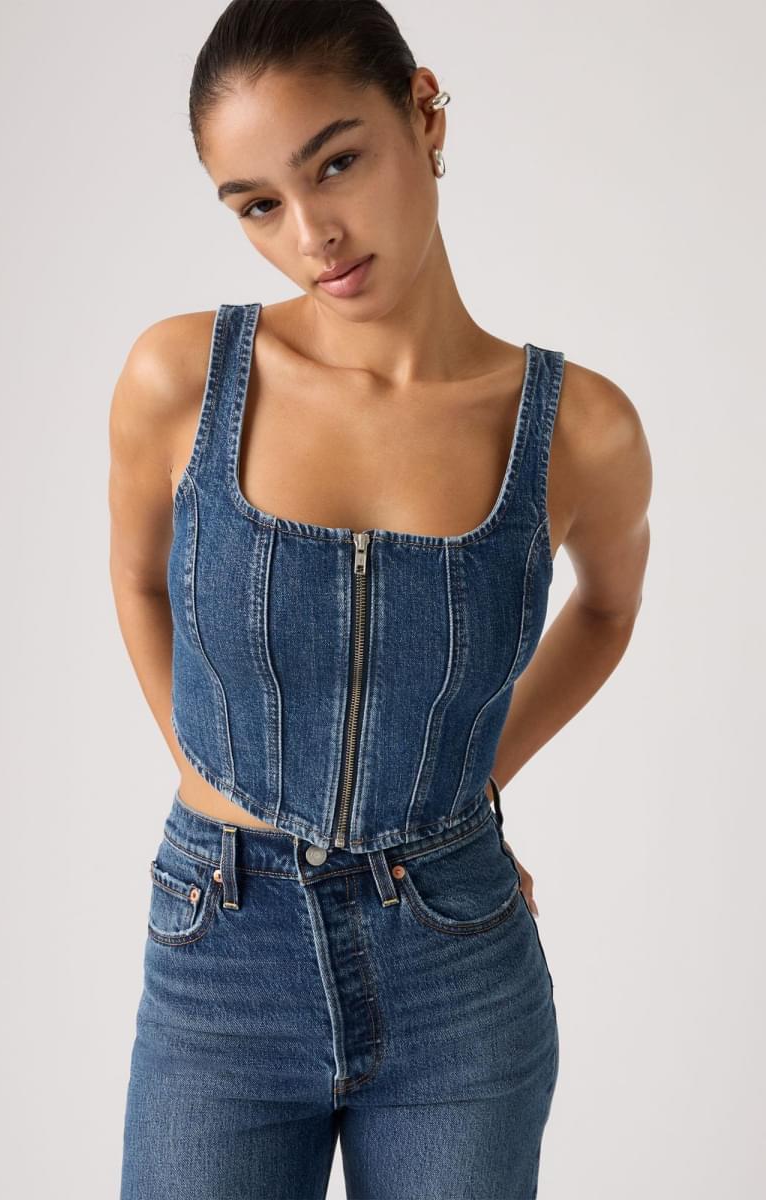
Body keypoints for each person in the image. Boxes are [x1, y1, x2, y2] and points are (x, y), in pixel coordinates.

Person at [110, 2, 652, 1196]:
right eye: (258, 204)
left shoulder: (579, 429)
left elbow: (609, 611)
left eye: (336, 163)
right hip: (221, 953)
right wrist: (214, 781)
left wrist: (472, 782)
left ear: (424, 110)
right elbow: (141, 579)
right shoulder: (182, 379)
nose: (313, 234)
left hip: (457, 967)